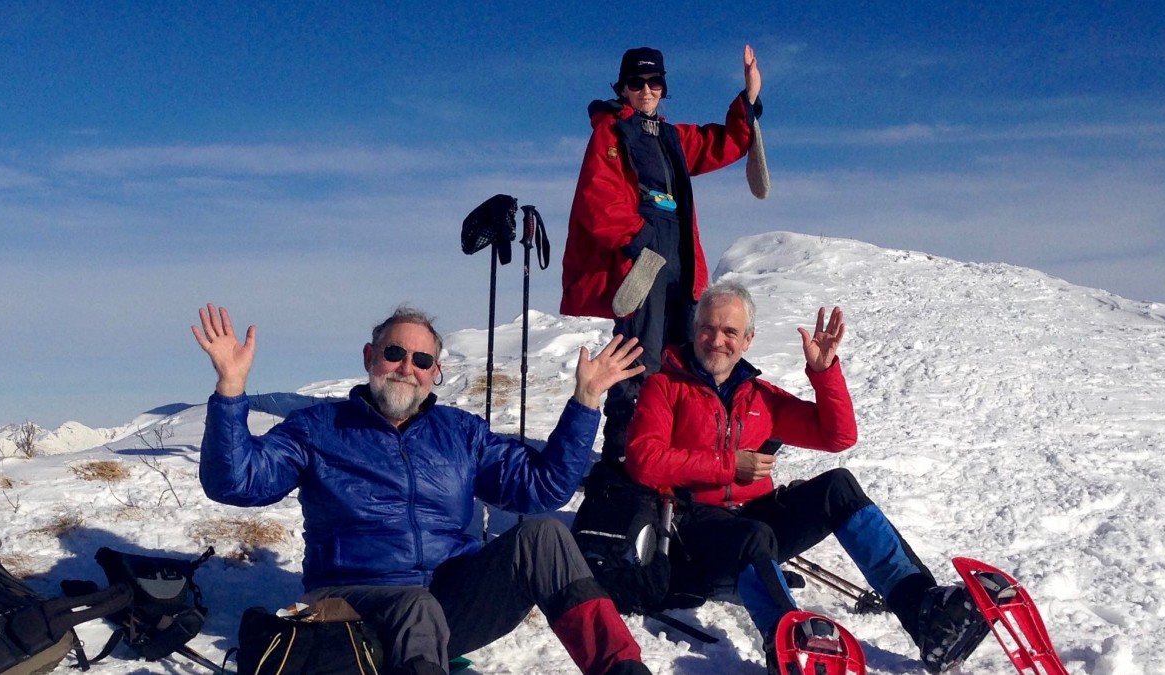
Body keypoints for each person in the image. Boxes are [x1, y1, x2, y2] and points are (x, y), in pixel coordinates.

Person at [193, 303, 654, 675]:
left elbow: (544, 488)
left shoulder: (460, 433)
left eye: (421, 360)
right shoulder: (318, 428)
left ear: (435, 371)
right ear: (369, 357)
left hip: (447, 600)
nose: (405, 367)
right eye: (394, 353)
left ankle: (622, 669)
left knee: (546, 537)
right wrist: (230, 390)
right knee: (416, 606)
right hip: (351, 600)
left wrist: (586, 401)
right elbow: (235, 481)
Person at [624, 282, 990, 673]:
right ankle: (788, 644)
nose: (717, 340)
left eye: (730, 331)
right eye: (708, 328)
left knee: (838, 487)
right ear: (694, 331)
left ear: (747, 340)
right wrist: (730, 464)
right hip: (691, 528)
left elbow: (838, 436)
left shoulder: (758, 396)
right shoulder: (664, 387)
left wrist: (823, 372)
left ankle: (925, 615)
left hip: (751, 521)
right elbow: (644, 460)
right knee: (754, 535)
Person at [559, 46, 764, 458]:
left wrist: (749, 97)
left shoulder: (671, 137)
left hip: (681, 263)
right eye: (637, 83)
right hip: (644, 261)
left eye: (654, 83)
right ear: (623, 88)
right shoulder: (611, 133)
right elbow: (595, 199)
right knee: (638, 354)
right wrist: (639, 241)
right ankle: (624, 450)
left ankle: (671, 444)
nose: (646, 90)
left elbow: (721, 142)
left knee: (681, 355)